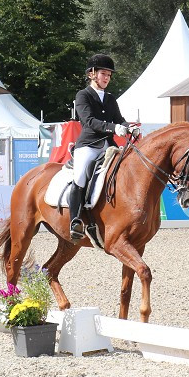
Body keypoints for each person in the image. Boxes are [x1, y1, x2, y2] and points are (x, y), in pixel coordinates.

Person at [68, 53, 140, 241]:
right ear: (92, 74)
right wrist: (114, 128)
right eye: (103, 74)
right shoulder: (83, 95)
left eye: (109, 75)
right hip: (89, 145)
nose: (107, 78)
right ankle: (74, 219)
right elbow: (89, 121)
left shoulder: (110, 98)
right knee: (81, 176)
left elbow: (119, 119)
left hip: (109, 145)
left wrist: (129, 127)